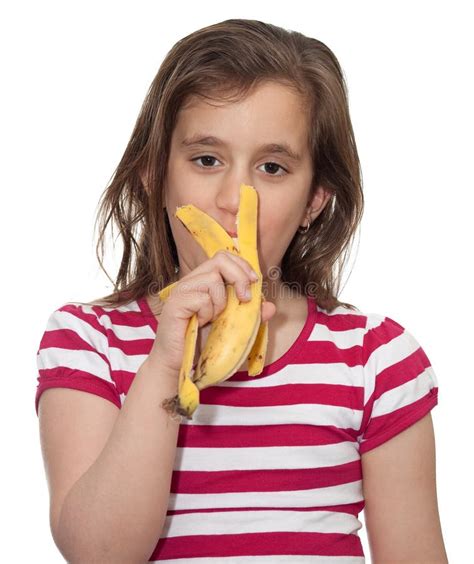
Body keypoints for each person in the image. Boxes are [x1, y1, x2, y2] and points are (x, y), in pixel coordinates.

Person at [35, 18, 448, 563]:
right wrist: (165, 362)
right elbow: (99, 552)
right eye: (206, 159)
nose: (235, 198)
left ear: (314, 201)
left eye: (272, 167)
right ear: (153, 175)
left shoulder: (375, 359)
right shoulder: (89, 342)